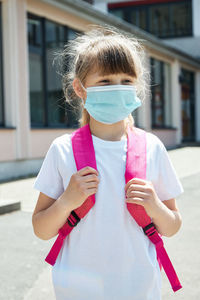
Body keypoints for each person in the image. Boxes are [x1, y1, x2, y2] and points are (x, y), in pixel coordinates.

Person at [32, 25, 184, 300]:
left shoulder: (152, 148)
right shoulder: (62, 150)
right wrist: (67, 201)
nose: (117, 88)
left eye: (126, 81)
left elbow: (172, 226)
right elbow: (41, 229)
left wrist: (154, 204)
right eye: (104, 81)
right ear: (80, 88)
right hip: (76, 291)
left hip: (139, 289)